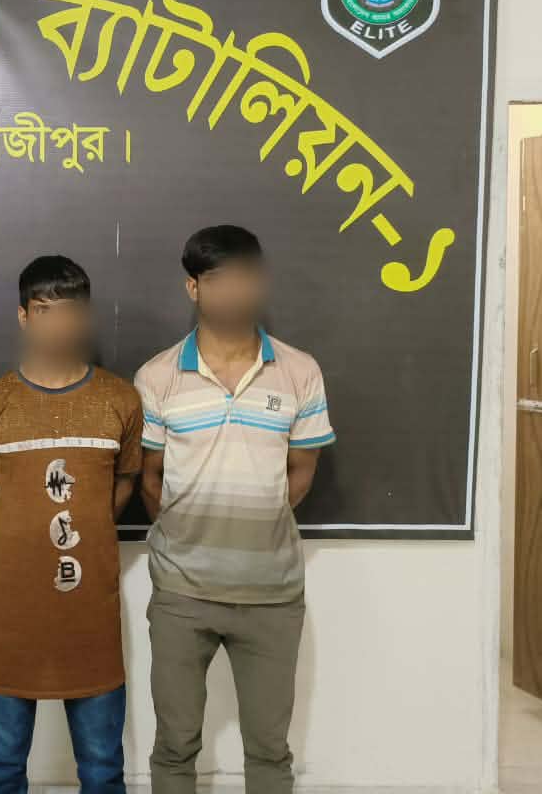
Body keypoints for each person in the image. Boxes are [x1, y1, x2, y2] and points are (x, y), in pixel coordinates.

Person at [133, 225, 335, 794]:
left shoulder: (299, 371)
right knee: (175, 745)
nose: (234, 292)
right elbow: (150, 479)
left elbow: (301, 472)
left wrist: (257, 516)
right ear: (193, 287)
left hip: (272, 593)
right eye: (220, 280)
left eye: (246, 278)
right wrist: (189, 529)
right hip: (181, 594)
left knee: (269, 750)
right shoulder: (157, 376)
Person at [0, 255, 143, 793]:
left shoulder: (120, 399)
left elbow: (124, 484)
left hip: (89, 614)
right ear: (23, 316)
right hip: (12, 614)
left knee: (102, 768)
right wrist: (19, 533)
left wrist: (84, 525)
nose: (58, 325)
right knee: (1, 767)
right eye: (44, 311)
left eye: (70, 312)